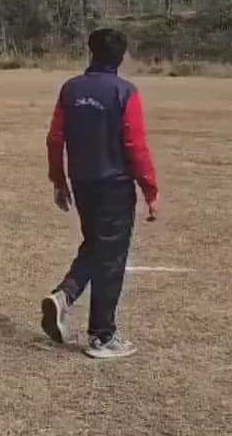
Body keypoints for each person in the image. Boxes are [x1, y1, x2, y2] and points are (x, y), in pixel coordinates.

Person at [41, 28, 159, 360]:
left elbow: (54, 138)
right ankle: (102, 336)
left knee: (96, 245)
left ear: (90, 52)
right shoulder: (125, 92)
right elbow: (135, 145)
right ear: (121, 56)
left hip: (83, 182)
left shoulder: (71, 89)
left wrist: (59, 180)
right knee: (111, 257)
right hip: (115, 185)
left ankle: (64, 296)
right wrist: (150, 189)